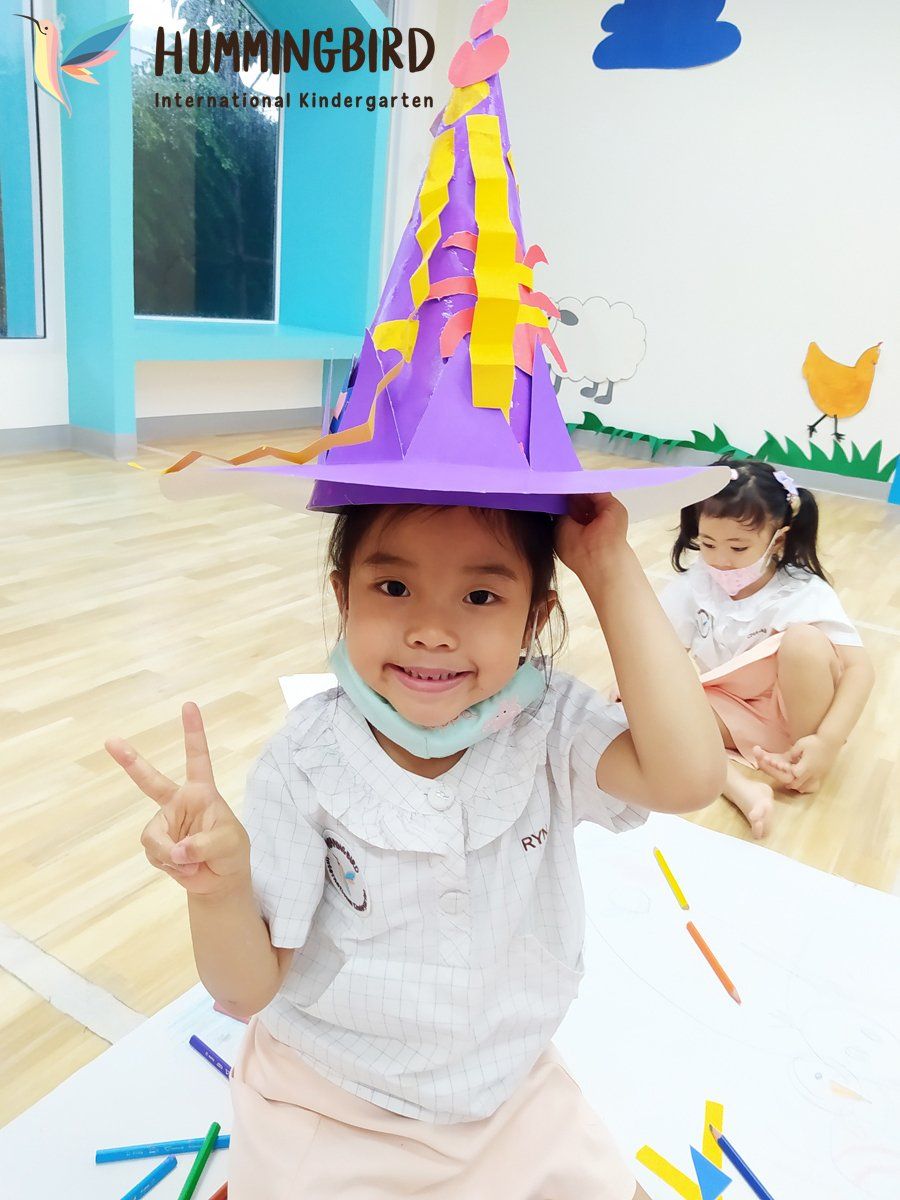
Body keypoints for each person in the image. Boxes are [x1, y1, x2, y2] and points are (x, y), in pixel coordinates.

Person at [106, 496, 724, 1199]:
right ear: (343, 596)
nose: (432, 630)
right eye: (393, 588)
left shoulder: (548, 723)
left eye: (481, 595)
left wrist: (607, 565)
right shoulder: (306, 759)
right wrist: (217, 889)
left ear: (536, 619)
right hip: (332, 1102)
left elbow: (690, 777)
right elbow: (247, 988)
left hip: (508, 1092)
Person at [660, 458, 874, 837]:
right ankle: (741, 789)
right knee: (647, 715)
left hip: (795, 714)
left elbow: (860, 670)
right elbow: (664, 653)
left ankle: (803, 764)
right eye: (708, 543)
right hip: (729, 710)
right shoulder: (696, 584)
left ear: (778, 540)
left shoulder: (801, 591)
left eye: (739, 547)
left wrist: (825, 743)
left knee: (803, 641)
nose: (721, 561)